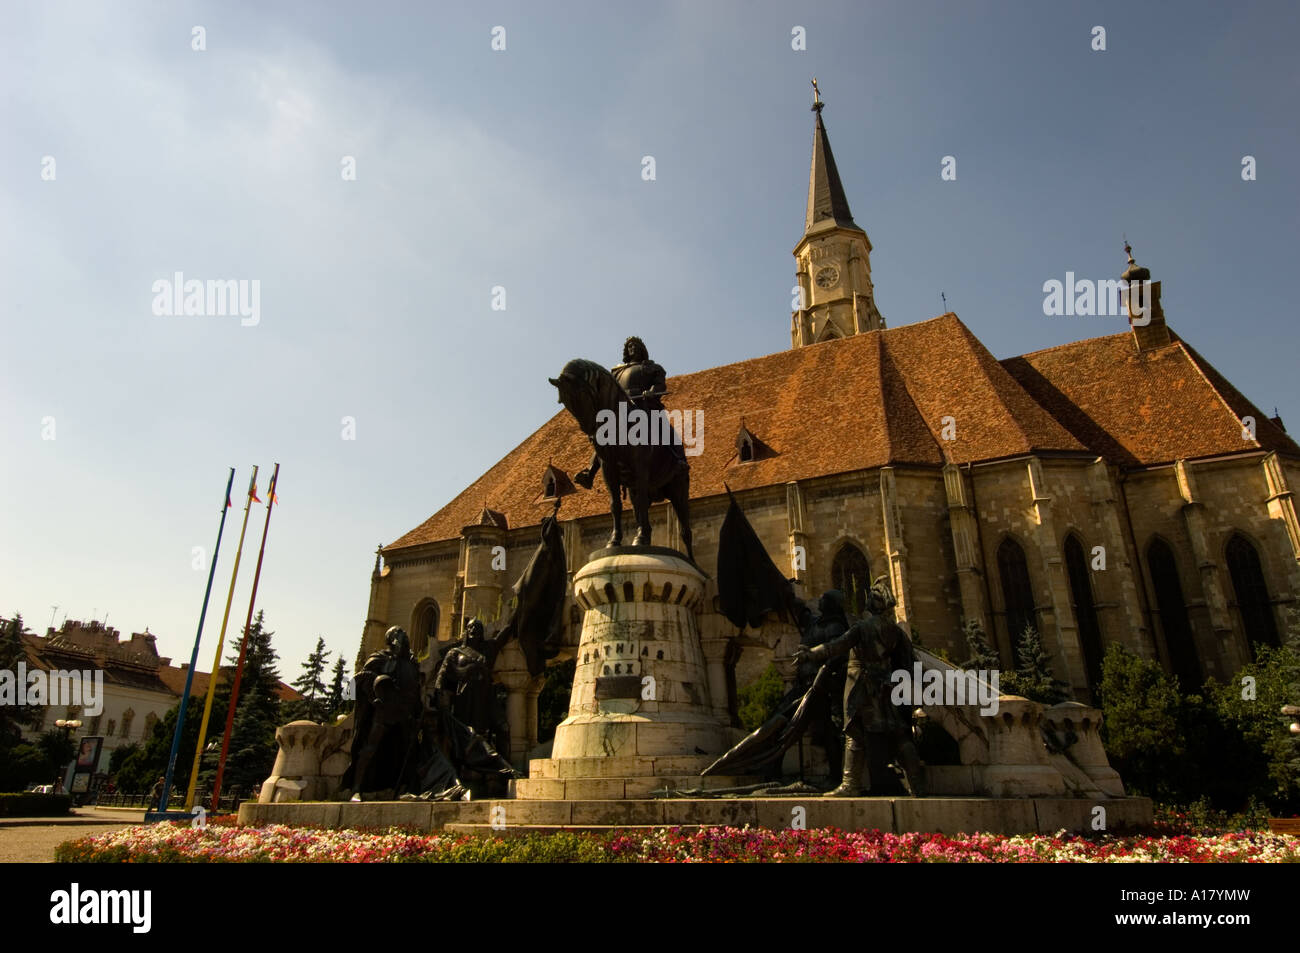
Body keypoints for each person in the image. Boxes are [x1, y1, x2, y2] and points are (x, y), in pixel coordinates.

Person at [795, 577, 925, 796]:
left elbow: (837, 645)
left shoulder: (863, 627)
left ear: (872, 603)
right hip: (888, 685)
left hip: (862, 685)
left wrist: (810, 653)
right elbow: (910, 663)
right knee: (898, 732)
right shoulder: (896, 631)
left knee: (854, 732)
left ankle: (850, 784)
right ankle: (918, 785)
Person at [574, 336, 687, 489]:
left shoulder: (652, 368)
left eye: (635, 346)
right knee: (603, 436)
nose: (632, 349)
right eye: (629, 347)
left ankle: (678, 458)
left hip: (645, 405)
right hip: (621, 409)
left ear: (642, 349)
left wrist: (651, 391)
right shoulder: (617, 371)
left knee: (664, 428)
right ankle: (590, 472)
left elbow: (660, 386)